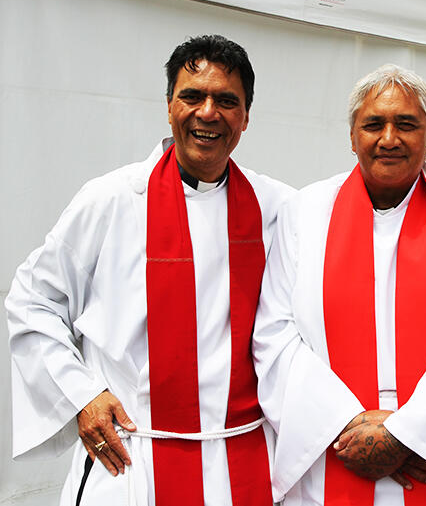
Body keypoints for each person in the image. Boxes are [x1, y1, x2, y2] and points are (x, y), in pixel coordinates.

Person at [5, 35, 296, 506]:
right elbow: (32, 301)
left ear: (245, 116)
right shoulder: (113, 199)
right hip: (133, 458)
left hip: (238, 461)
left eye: (226, 100)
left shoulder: (277, 207)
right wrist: (83, 394)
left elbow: (357, 227)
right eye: (191, 96)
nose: (208, 113)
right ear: (168, 106)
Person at [251, 63, 426, 506]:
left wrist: (409, 434)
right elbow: (275, 334)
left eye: (407, 124)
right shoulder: (306, 209)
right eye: (373, 124)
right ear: (352, 137)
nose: (389, 138)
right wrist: (350, 426)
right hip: (335, 451)